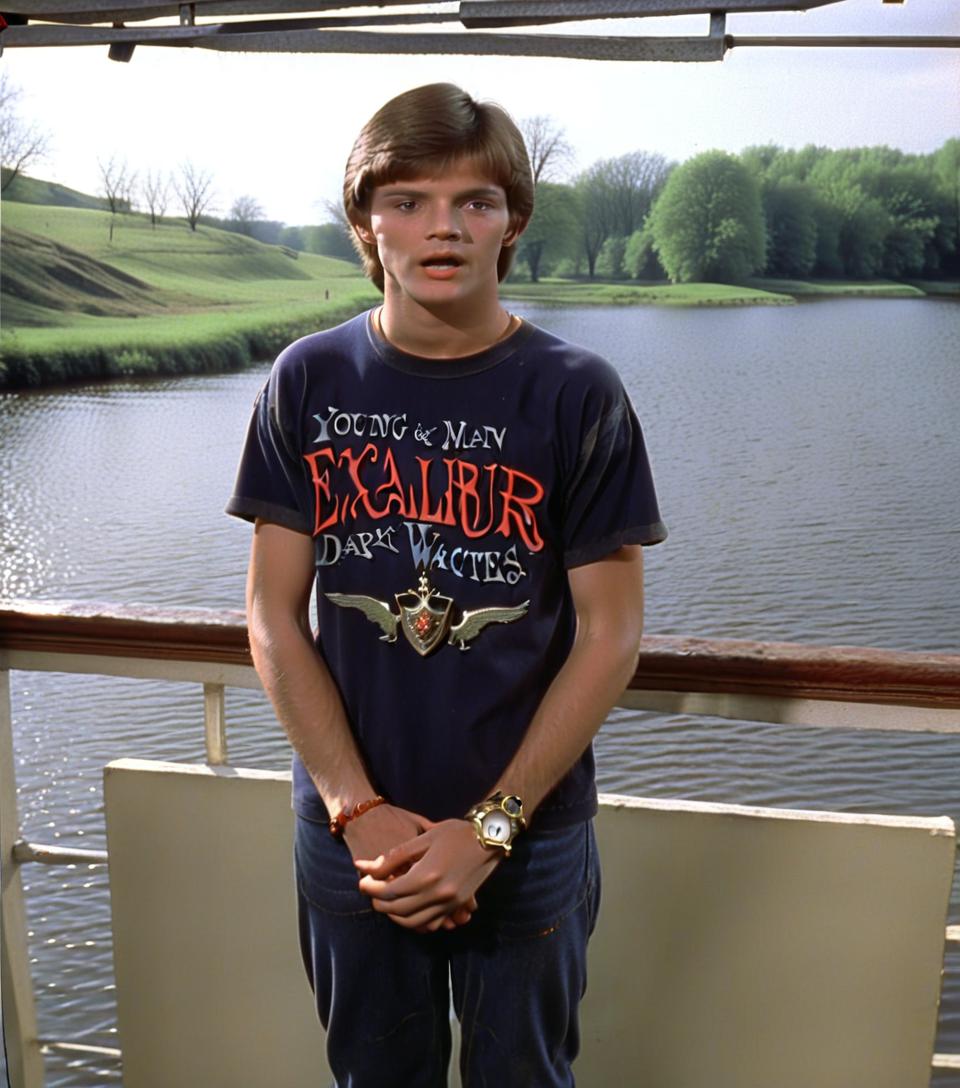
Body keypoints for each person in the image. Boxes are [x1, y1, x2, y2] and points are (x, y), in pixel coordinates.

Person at [226, 82, 667, 1087]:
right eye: (408, 200)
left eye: (476, 202)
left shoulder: (575, 390)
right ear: (364, 223)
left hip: (528, 835)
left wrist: (491, 827)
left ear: (512, 223)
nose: (443, 228)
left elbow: (610, 635)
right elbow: (270, 614)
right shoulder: (307, 380)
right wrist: (356, 808)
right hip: (352, 834)